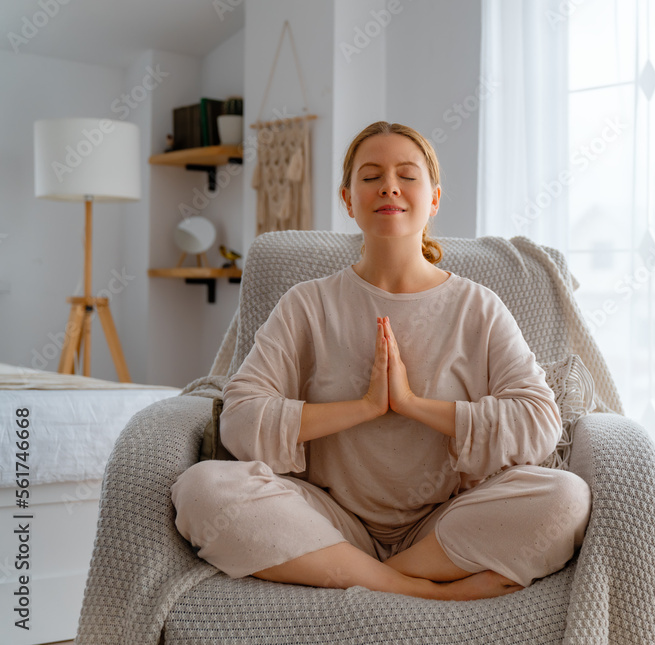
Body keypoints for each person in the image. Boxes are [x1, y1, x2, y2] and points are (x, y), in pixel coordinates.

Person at [171, 121, 591, 601]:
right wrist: (365, 405)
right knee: (203, 489)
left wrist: (411, 403)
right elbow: (240, 422)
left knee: (566, 499)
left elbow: (539, 424)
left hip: (445, 525)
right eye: (370, 176)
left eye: (406, 175)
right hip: (328, 518)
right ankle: (417, 589)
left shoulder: (479, 307)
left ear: (433, 198)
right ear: (348, 199)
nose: (389, 185)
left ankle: (363, 574)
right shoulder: (306, 304)